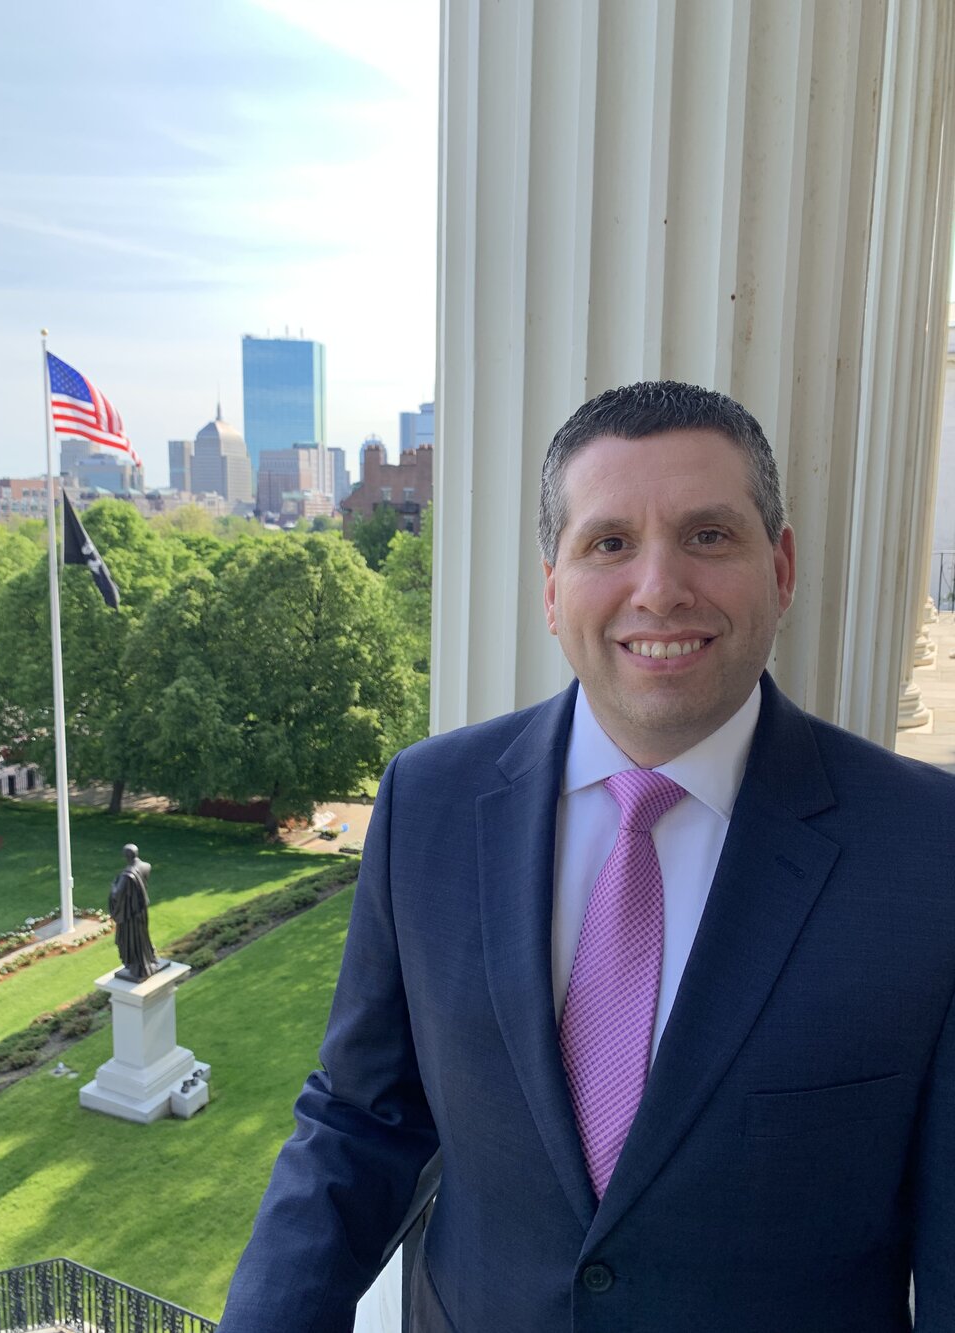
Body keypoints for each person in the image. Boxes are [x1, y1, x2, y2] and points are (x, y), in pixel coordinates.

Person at [218, 382, 955, 1332]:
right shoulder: (428, 802)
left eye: (708, 535)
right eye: (609, 543)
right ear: (552, 590)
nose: (659, 588)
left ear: (780, 568)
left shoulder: (928, 852)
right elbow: (363, 1119)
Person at [108, 843, 159, 981]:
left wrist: (113, 886)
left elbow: (117, 893)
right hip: (142, 911)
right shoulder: (146, 866)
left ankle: (139, 964)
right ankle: (148, 958)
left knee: (134, 939)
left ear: (126, 856)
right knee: (143, 936)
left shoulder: (128, 875)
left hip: (130, 914)